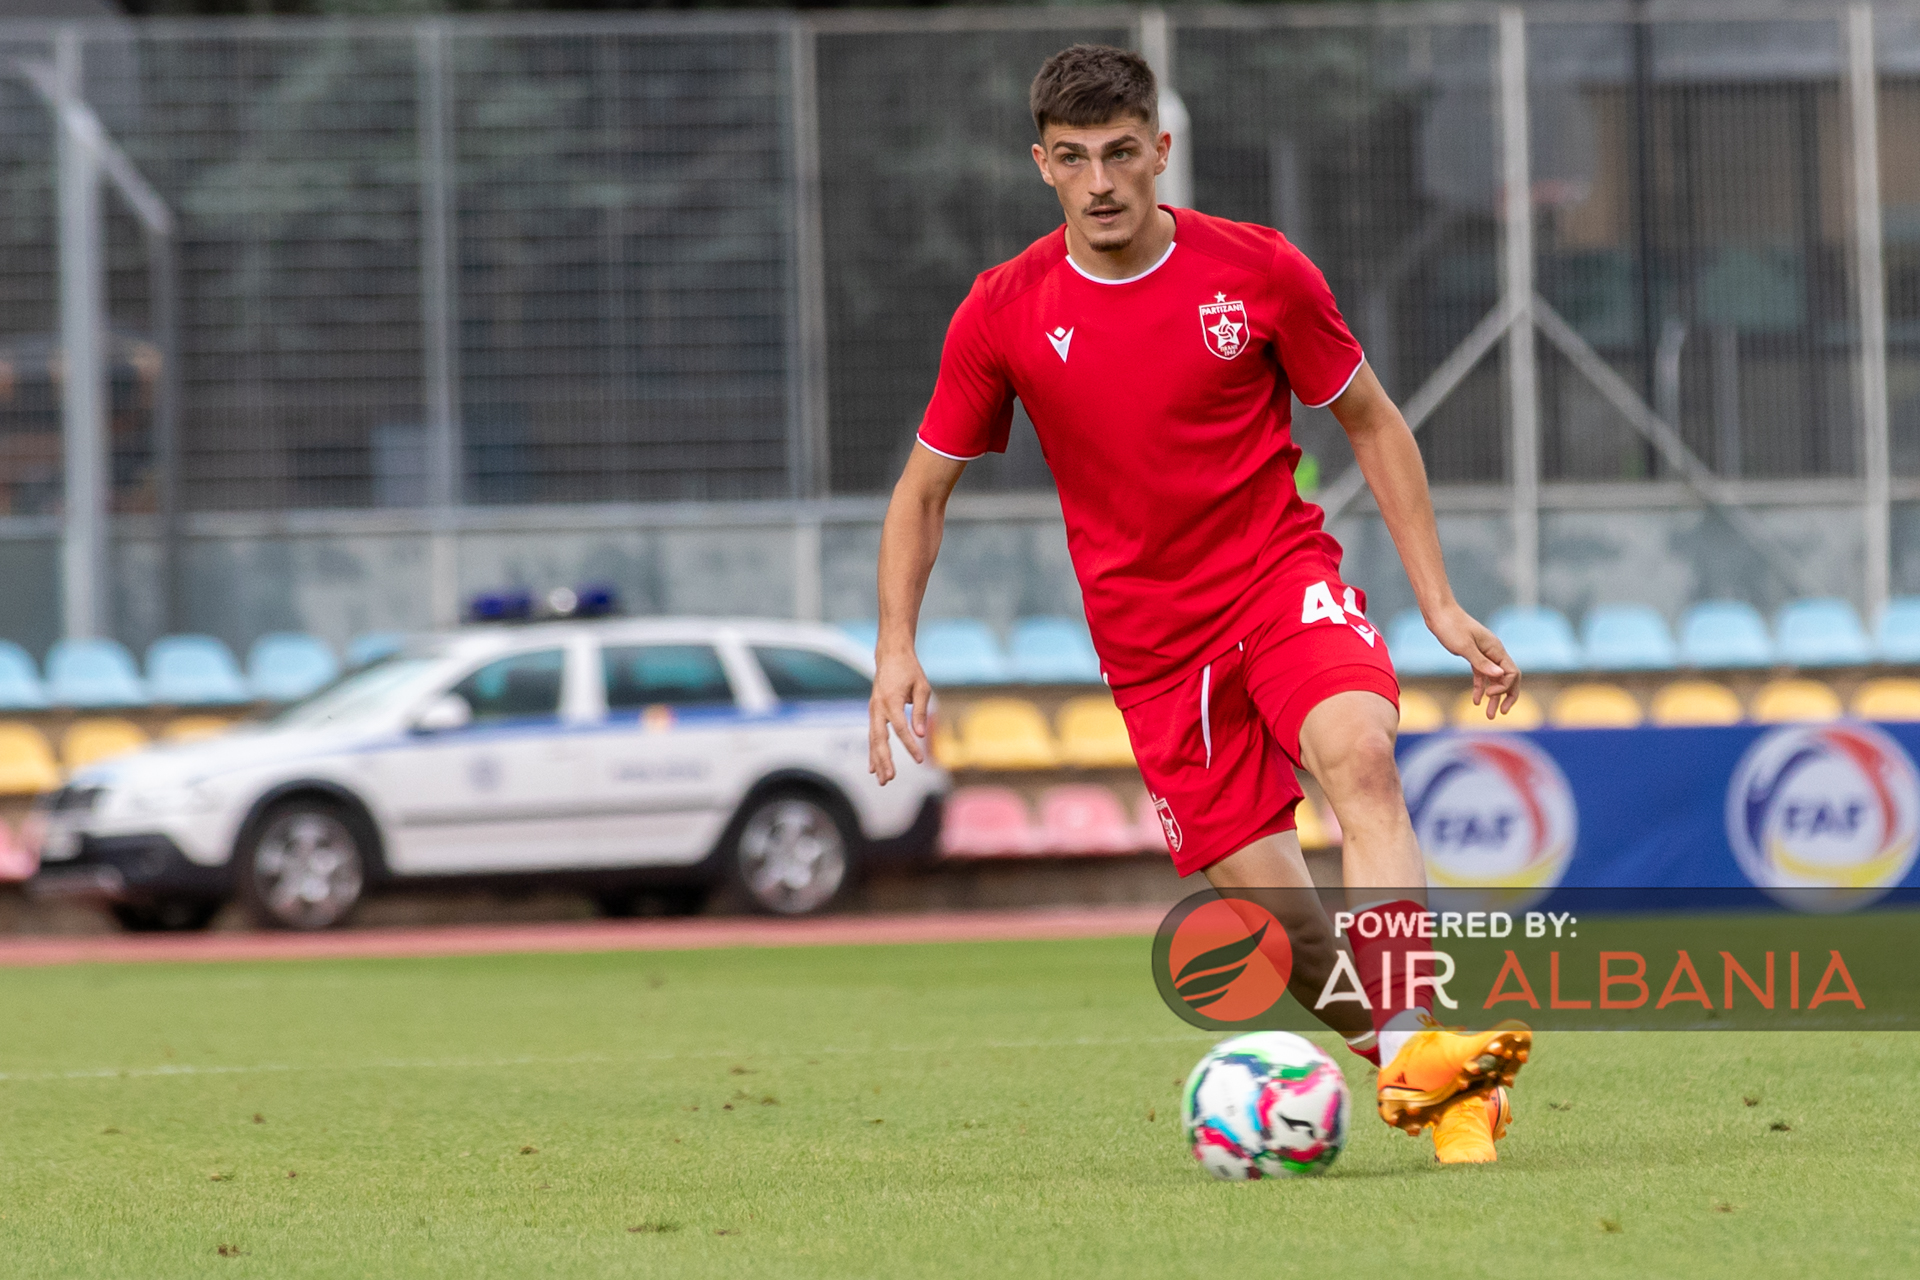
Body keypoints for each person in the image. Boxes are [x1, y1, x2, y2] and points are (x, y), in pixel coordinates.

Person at [866, 43, 1529, 1164]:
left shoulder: (1259, 270)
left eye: (1121, 152)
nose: (1101, 182)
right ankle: (1421, 1068)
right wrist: (896, 646)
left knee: (1361, 756)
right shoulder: (1003, 311)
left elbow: (1372, 421)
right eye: (1074, 158)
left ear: (1160, 150)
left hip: (1280, 580)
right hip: (1153, 648)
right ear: (1042, 165)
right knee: (1284, 932)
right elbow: (922, 491)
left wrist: (1440, 602)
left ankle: (1418, 1034)